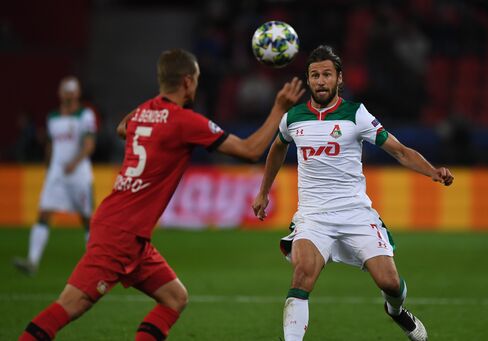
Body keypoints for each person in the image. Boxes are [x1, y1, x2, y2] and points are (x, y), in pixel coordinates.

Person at [18, 48, 304, 341]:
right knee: (69, 306)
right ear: (188, 82)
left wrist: (153, 112)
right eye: (196, 79)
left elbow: (122, 128)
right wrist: (279, 107)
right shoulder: (184, 122)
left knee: (175, 297)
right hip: (119, 234)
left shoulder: (144, 113)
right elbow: (250, 150)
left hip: (130, 232)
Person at [252, 45, 454, 341]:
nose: (321, 81)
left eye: (327, 75)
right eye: (315, 75)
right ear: (308, 80)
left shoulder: (356, 115)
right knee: (303, 273)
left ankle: (396, 311)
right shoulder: (293, 118)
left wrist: (432, 171)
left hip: (356, 213)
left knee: (390, 283)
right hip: (313, 216)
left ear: (339, 79)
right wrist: (263, 192)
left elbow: (398, 151)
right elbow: (277, 148)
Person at [13, 76, 97, 276]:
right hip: (57, 174)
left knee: (87, 219)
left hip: (79, 175)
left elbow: (89, 145)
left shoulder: (85, 115)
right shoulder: (52, 117)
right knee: (44, 214)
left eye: (72, 91)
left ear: (77, 93)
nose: (68, 94)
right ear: (60, 93)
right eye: (65, 91)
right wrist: (48, 168)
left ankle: (96, 264)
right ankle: (32, 261)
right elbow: (51, 146)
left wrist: (74, 163)